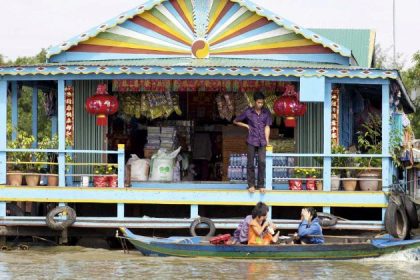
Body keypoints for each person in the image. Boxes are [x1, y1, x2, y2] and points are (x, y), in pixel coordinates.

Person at [233, 92, 272, 193]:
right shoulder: (248, 112)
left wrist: (267, 140)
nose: (260, 104)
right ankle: (251, 185)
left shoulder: (266, 112)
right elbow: (235, 121)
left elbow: (267, 126)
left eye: (262, 103)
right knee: (250, 163)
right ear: (254, 102)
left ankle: (260, 185)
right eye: (259, 102)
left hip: (262, 141)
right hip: (251, 140)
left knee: (262, 162)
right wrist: (246, 126)